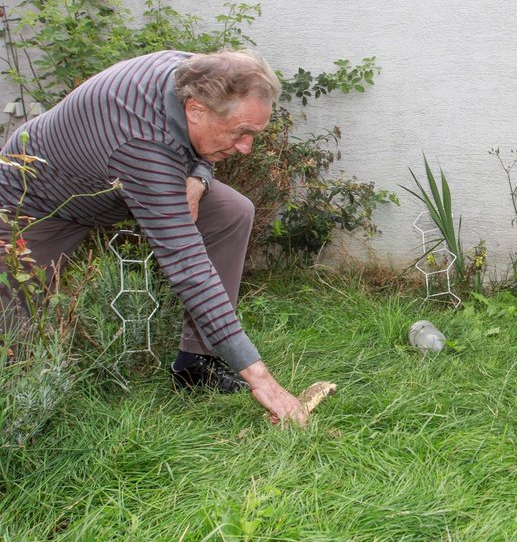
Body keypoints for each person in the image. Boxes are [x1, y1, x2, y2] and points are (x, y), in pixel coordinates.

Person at [0, 49, 309, 427]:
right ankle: (18, 414)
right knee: (15, 325)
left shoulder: (198, 72)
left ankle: (196, 363)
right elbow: (187, 265)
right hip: (36, 199)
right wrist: (260, 379)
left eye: (253, 133)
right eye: (240, 132)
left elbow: (200, 144)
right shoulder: (141, 141)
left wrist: (198, 176)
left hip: (113, 183)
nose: (247, 147)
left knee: (232, 212)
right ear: (195, 109)